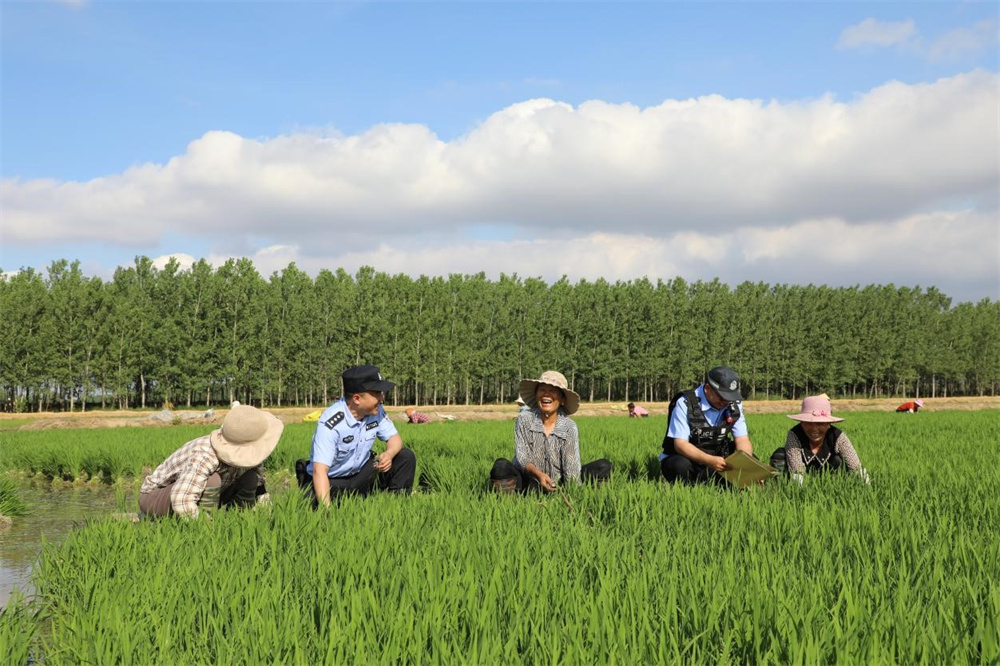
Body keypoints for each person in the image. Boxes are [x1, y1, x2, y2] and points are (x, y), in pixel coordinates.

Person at [298, 365, 416, 506]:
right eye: (377, 393)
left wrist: (389, 454)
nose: (381, 398)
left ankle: (396, 506)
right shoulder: (331, 424)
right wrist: (326, 514)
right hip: (333, 480)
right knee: (308, 503)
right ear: (357, 399)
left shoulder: (376, 411)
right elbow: (320, 471)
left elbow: (394, 438)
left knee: (405, 457)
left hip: (362, 473)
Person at [139, 405, 284, 519]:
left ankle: (238, 519)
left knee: (251, 477)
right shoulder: (205, 454)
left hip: (193, 493)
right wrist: (209, 532)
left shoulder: (252, 454)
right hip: (157, 497)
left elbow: (260, 489)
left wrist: (268, 516)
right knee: (212, 480)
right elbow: (181, 501)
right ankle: (203, 523)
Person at [490, 370, 612, 493]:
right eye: (542, 390)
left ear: (562, 400)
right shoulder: (524, 419)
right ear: (536, 394)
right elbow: (522, 456)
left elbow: (571, 466)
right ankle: (510, 503)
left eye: (553, 391)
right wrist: (539, 475)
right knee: (501, 467)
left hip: (558, 481)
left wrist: (573, 492)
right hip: (529, 480)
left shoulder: (569, 426)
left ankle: (593, 498)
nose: (546, 395)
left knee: (603, 466)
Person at [660, 366, 754, 485]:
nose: (725, 402)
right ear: (708, 388)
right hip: (688, 457)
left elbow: (742, 439)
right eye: (722, 397)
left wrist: (745, 465)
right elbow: (680, 445)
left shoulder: (733, 404)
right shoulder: (684, 403)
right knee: (679, 466)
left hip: (717, 456)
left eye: (729, 398)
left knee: (751, 459)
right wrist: (709, 461)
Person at [770, 395, 869, 484]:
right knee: (779, 455)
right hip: (801, 476)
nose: (814, 429)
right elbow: (796, 469)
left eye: (820, 423)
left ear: (828, 424)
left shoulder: (838, 436)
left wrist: (867, 488)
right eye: (808, 423)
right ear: (801, 422)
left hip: (830, 476)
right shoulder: (794, 434)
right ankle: (778, 486)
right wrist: (800, 494)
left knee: (838, 459)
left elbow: (855, 466)